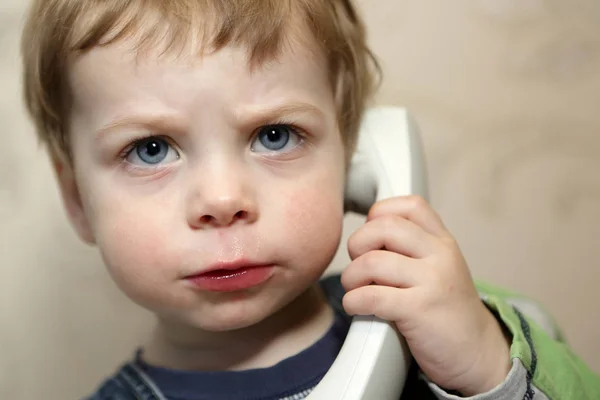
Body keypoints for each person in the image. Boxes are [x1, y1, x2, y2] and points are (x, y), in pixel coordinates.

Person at [20, 0, 600, 399]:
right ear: (77, 199)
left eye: (275, 135)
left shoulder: (457, 327)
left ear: (353, 162)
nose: (223, 200)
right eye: (150, 149)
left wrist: (488, 367)